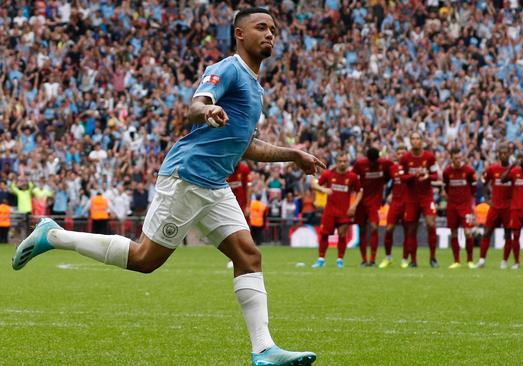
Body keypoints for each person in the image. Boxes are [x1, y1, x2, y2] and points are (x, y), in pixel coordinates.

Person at [12, 8, 320, 366]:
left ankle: (264, 350)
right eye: (261, 27)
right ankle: (55, 236)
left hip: (215, 183)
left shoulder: (254, 85)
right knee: (146, 260)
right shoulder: (229, 68)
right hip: (188, 176)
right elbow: (197, 104)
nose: (270, 34)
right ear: (239, 33)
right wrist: (206, 111)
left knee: (248, 255)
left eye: (274, 29)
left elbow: (246, 146)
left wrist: (293, 155)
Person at [311, 153, 362, 269]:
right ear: (336, 162)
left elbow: (360, 191)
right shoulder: (328, 174)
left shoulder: (352, 177)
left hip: (344, 212)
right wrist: (323, 189)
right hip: (329, 211)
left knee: (342, 235)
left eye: (344, 161)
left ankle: (340, 260)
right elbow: (315, 186)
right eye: (340, 161)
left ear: (347, 162)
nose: (342, 163)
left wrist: (354, 206)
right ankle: (321, 259)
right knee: (324, 235)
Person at [399, 132, 439, 268]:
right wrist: (413, 175)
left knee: (431, 224)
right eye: (413, 139)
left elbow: (436, 176)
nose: (415, 141)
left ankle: (433, 258)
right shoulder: (405, 158)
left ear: (422, 141)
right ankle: (413, 260)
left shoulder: (429, 157)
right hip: (411, 198)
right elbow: (402, 178)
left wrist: (427, 176)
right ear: (410, 141)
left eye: (417, 139)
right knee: (411, 229)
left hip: (427, 197)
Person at [475, 143, 514, 269]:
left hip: (508, 207)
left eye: (505, 153)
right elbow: (482, 184)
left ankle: (504, 261)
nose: (503, 155)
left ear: (509, 154)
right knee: (487, 232)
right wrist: (487, 199)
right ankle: (481, 260)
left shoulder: (514, 170)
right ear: (498, 154)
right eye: (501, 153)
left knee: (508, 234)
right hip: (495, 206)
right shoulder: (492, 169)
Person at [352, 147, 391, 267]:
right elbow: (352, 178)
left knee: (374, 227)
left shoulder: (385, 163)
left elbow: (391, 174)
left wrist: (385, 190)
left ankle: (372, 259)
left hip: (375, 201)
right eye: (371, 161)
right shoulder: (360, 164)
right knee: (362, 229)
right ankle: (364, 259)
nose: (374, 163)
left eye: (375, 161)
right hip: (361, 200)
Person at [443, 147, 478, 269]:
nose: (458, 160)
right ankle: (456, 261)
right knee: (453, 233)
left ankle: (470, 260)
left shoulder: (468, 171)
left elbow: (474, 188)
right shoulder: (447, 172)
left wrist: (470, 202)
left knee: (468, 233)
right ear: (451, 158)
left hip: (465, 207)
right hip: (452, 206)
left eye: (459, 157)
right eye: (455, 158)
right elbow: (446, 187)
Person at [379, 145, 409, 269]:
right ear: (396, 155)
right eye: (399, 153)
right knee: (389, 229)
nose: (401, 155)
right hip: (395, 203)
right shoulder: (392, 168)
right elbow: (385, 180)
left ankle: (405, 259)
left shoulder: (412, 168)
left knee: (408, 232)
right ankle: (388, 257)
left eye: (403, 153)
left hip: (408, 203)